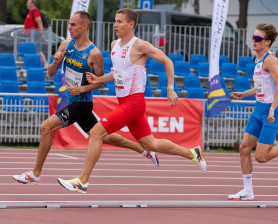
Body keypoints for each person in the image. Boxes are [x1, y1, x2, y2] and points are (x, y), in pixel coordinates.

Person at [57, 8, 207, 194]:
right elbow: (118, 74)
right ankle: (193, 153)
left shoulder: (139, 45)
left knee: (96, 132)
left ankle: (82, 181)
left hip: (134, 103)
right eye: (115, 21)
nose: (115, 25)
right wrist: (99, 79)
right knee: (150, 144)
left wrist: (170, 88)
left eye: (120, 21)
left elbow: (167, 61)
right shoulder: (114, 45)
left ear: (131, 24)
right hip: (124, 102)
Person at [13, 11, 159, 185]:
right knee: (103, 136)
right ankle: (143, 150)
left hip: (82, 104)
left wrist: (82, 88)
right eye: (69, 24)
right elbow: (51, 73)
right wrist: (56, 61)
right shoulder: (66, 45)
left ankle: (35, 173)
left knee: (46, 127)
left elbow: (99, 82)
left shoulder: (94, 53)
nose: (69, 28)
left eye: (73, 25)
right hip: (72, 101)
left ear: (84, 26)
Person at [228, 23, 278, 201]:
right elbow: (261, 87)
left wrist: (273, 109)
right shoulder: (257, 60)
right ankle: (248, 191)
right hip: (258, 110)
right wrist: (244, 94)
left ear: (267, 42)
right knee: (244, 148)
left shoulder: (270, 60)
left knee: (261, 157)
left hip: (270, 111)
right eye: (253, 37)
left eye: (258, 38)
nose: (254, 40)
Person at [24, 0, 47, 67]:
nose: (26, 4)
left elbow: (40, 23)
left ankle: (45, 64)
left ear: (32, 4)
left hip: (35, 35)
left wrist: (41, 34)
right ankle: (38, 64)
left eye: (28, 3)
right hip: (30, 35)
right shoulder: (31, 12)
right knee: (33, 50)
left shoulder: (35, 12)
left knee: (37, 50)